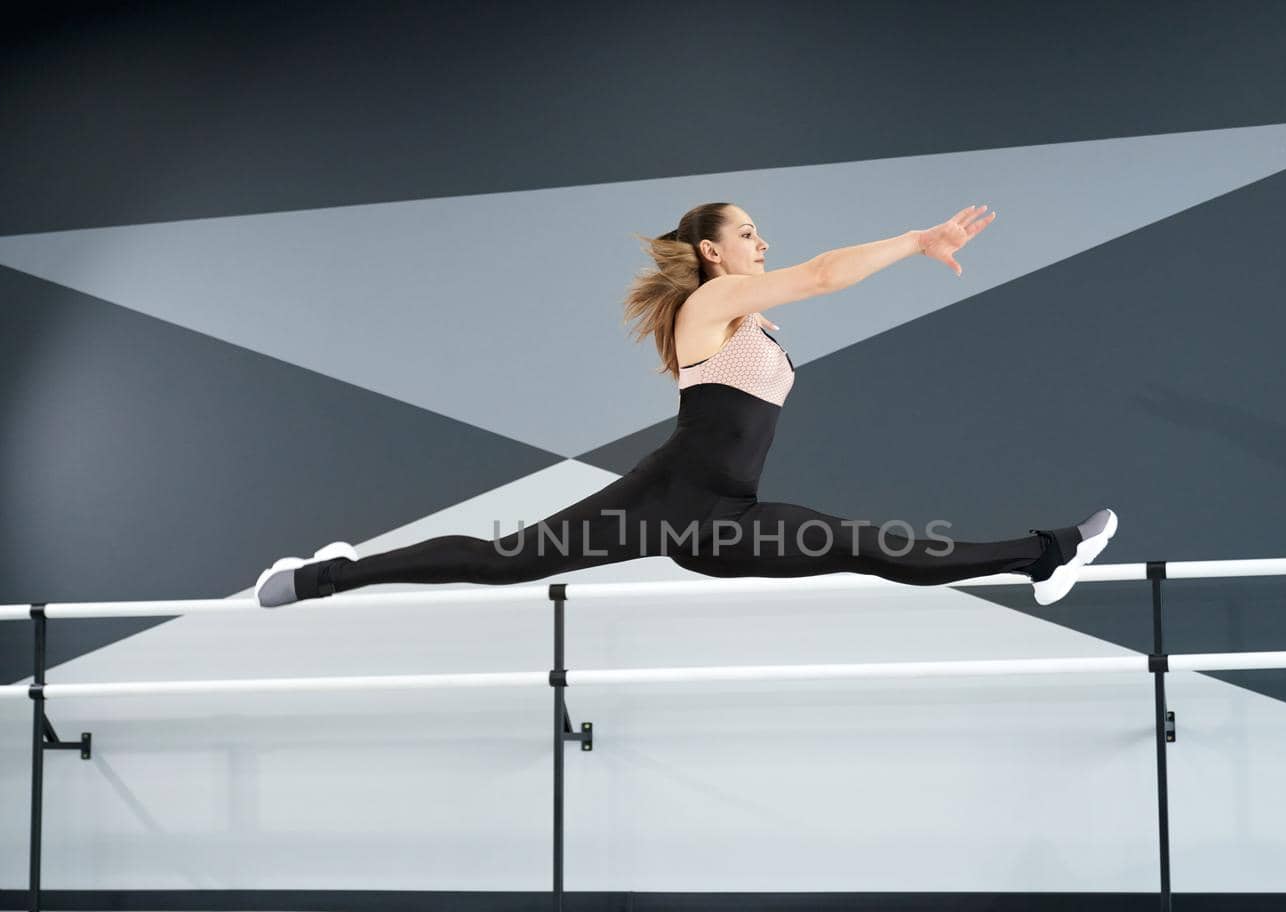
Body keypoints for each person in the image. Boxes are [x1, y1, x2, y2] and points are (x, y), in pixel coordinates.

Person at [254, 201, 1116, 609]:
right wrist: (917, 241)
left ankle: (1043, 559)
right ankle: (319, 575)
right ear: (710, 250)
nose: (762, 241)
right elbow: (820, 272)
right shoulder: (706, 308)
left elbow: (801, 277)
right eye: (747, 233)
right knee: (503, 560)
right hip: (666, 503)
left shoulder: (744, 316)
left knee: (872, 549)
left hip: (720, 521)